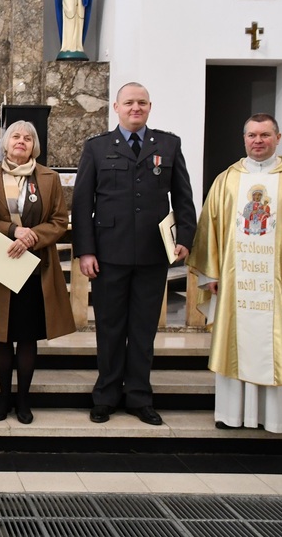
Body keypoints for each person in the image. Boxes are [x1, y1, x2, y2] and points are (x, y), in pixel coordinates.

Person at [188, 114, 282, 434]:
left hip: (281, 286)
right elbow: (209, 228)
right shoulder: (227, 179)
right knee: (233, 344)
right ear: (244, 139)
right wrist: (210, 273)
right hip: (233, 283)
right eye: (252, 135)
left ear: (278, 138)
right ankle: (230, 416)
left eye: (265, 135)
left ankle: (275, 419)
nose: (258, 140)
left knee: (278, 345)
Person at [72, 82, 196, 426]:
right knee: (110, 329)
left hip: (153, 254)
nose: (135, 108)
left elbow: (183, 197)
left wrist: (185, 236)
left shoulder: (169, 145)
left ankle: (139, 397)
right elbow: (83, 203)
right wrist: (85, 251)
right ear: (116, 107)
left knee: (143, 331)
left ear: (150, 107)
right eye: (129, 103)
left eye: (141, 103)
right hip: (109, 254)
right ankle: (106, 396)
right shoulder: (97, 148)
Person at [0, 120, 75, 424]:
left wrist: (31, 237)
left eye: (28, 137)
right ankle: (3, 397)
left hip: (35, 267)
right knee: (1, 336)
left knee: (27, 337)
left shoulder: (49, 178)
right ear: (6, 142)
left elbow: (59, 221)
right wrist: (13, 230)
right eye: (16, 136)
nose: (21, 141)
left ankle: (23, 400)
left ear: (34, 145)